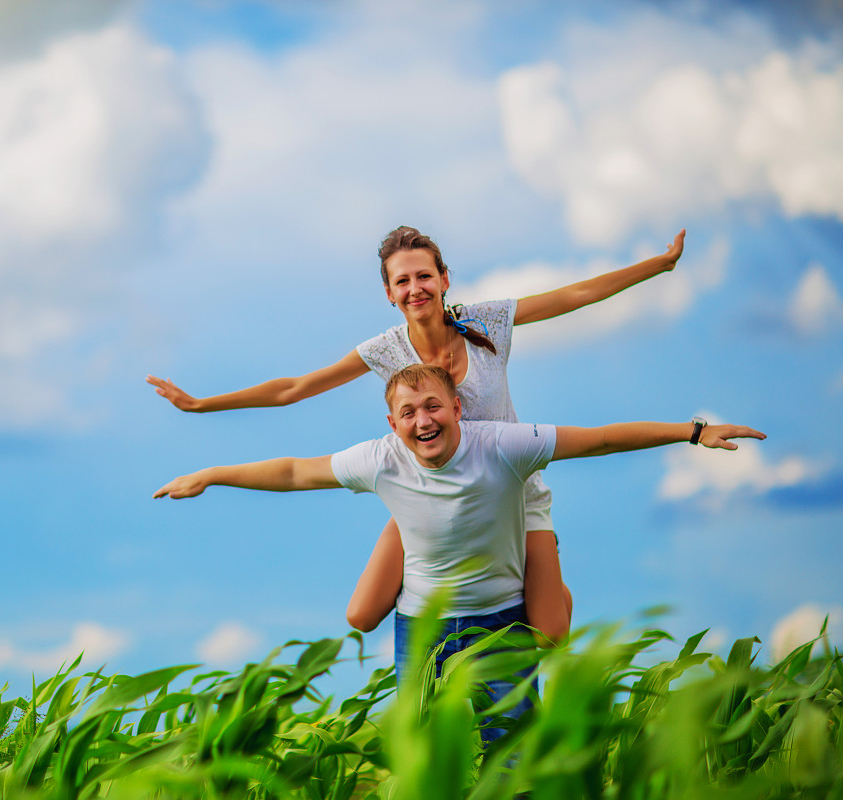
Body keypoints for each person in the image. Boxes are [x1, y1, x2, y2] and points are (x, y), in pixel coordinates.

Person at [153, 363, 765, 737]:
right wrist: (212, 473)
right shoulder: (380, 458)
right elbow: (292, 471)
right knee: (422, 747)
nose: (423, 420)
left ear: (458, 411)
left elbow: (600, 439)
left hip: (502, 621)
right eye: (408, 412)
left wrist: (693, 431)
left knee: (513, 746)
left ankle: (551, 593)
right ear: (392, 422)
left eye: (433, 408)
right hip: (422, 625)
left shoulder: (501, 444)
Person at [148, 226, 687, 645]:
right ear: (389, 292)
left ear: (444, 278)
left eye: (423, 276)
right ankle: (443, 575)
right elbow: (294, 388)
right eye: (402, 281)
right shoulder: (385, 350)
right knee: (361, 615)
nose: (415, 289)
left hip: (510, 489)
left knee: (549, 634)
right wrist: (202, 405)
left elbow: (578, 295)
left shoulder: (488, 322)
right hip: (427, 493)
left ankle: (540, 583)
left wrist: (658, 266)